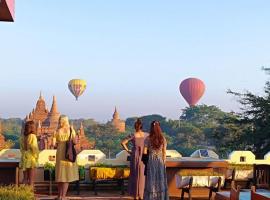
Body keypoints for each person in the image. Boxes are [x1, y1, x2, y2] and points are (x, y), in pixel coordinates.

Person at [121, 118, 148, 200]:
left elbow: (123, 143)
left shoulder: (133, 135)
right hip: (144, 156)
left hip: (135, 155)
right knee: (143, 175)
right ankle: (142, 194)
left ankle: (135, 195)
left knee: (135, 175)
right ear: (142, 127)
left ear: (135, 127)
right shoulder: (147, 135)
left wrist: (128, 151)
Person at [54, 115, 79, 200]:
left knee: (60, 175)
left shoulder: (58, 130)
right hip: (68, 153)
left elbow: (54, 143)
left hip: (60, 152)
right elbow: (75, 141)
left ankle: (59, 196)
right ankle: (63, 196)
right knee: (66, 176)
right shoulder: (71, 130)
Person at [143, 121, 169, 200]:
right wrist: (163, 162)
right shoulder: (163, 138)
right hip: (160, 161)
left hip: (151, 161)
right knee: (160, 180)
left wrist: (146, 161)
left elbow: (144, 152)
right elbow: (164, 152)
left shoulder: (148, 138)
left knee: (151, 179)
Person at [20, 120, 39, 188]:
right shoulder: (33, 136)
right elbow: (34, 148)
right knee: (31, 181)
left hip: (24, 159)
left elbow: (21, 149)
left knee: (25, 179)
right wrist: (36, 157)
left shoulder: (23, 137)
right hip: (31, 159)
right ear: (32, 127)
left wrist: (24, 154)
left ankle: (23, 194)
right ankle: (30, 195)